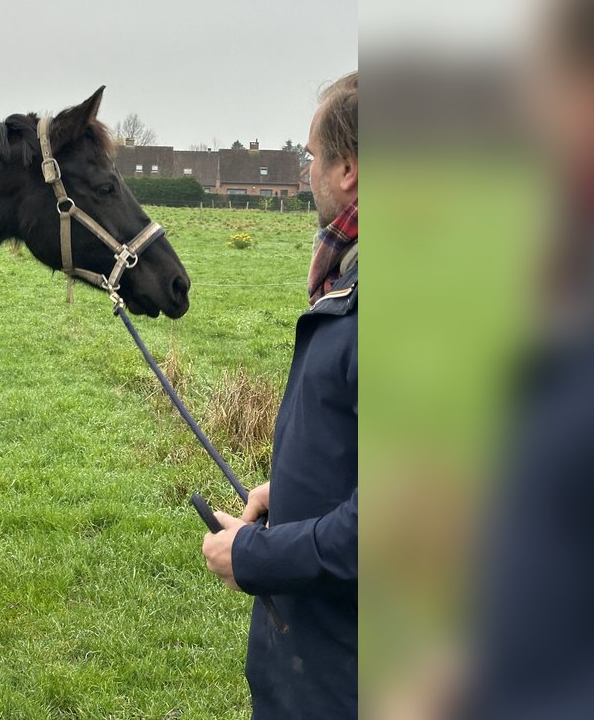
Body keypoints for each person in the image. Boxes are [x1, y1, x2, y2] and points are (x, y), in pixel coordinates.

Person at [202, 72, 358, 718]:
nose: (307, 169)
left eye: (311, 155)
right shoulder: (346, 284)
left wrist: (256, 555)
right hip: (312, 662)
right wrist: (288, 491)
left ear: (347, 169)